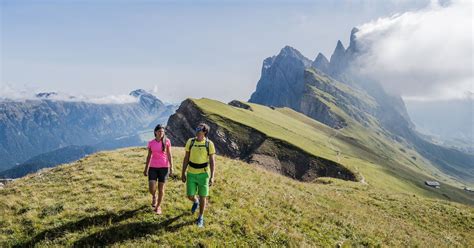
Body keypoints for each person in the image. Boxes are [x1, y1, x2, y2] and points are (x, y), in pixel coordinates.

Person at [181, 123, 216, 227]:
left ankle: (200, 217)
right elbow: (186, 158)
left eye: (199, 129)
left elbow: (212, 161)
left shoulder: (209, 144)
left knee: (203, 197)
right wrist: (182, 173)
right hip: (191, 173)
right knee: (190, 195)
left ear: (205, 131)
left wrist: (212, 176)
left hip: (204, 174)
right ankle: (195, 202)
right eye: (196, 128)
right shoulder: (190, 142)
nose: (197, 130)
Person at [144, 124, 173, 215]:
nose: (161, 133)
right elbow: (149, 156)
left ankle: (158, 207)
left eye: (163, 132)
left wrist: (171, 167)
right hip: (153, 167)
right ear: (155, 132)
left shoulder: (167, 141)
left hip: (164, 168)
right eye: (159, 131)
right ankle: (154, 196)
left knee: (161, 189)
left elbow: (169, 154)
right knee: (151, 188)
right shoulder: (151, 143)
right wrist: (146, 169)